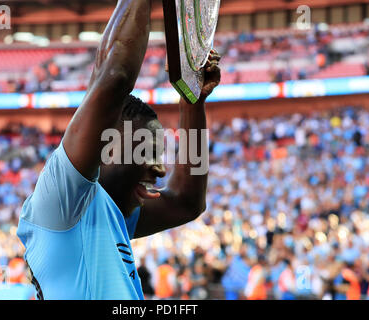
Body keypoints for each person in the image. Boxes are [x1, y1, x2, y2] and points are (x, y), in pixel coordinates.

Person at [17, 0, 221, 300]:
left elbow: (186, 202)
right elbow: (113, 76)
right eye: (146, 153)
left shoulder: (111, 213)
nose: (161, 169)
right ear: (107, 148)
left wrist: (192, 102)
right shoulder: (65, 202)